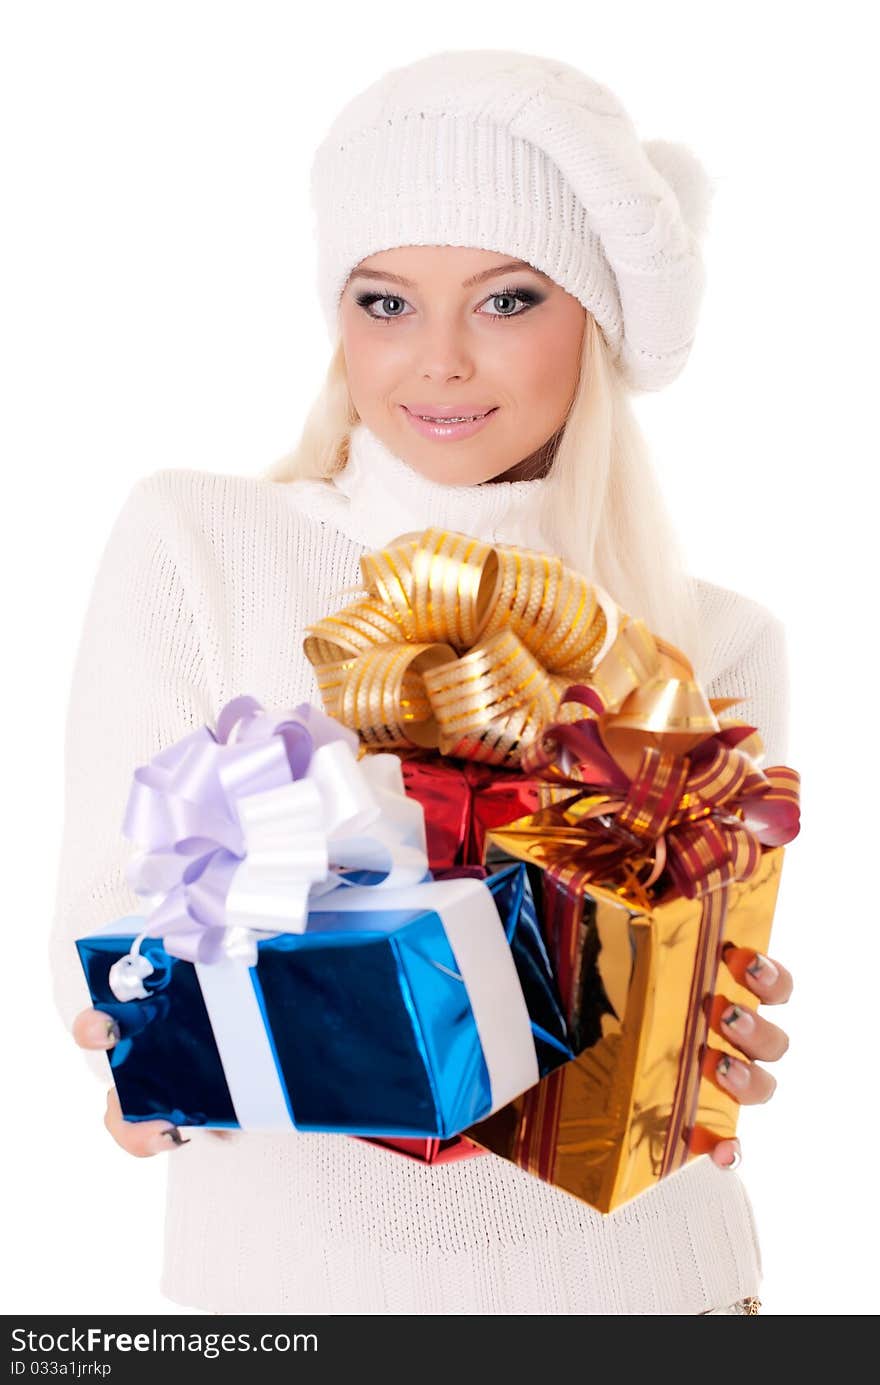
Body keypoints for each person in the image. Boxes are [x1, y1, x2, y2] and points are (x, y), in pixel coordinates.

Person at [52, 49, 794, 1315]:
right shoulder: (201, 543)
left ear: (598, 319)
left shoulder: (707, 638)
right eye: (385, 302)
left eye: (507, 300)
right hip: (284, 1297)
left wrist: (709, 1042)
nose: (438, 361)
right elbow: (116, 943)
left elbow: (648, 1039)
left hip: (645, 1289)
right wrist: (147, 1061)